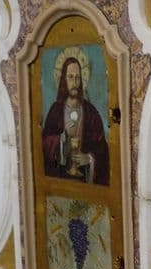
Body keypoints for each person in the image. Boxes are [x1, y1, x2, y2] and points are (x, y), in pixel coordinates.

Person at [42, 57, 109, 185]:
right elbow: (44, 144)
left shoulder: (91, 113)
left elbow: (102, 150)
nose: (74, 82)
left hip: (85, 179)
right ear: (64, 80)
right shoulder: (56, 111)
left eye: (78, 77)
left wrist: (90, 158)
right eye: (71, 77)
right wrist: (61, 138)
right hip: (60, 179)